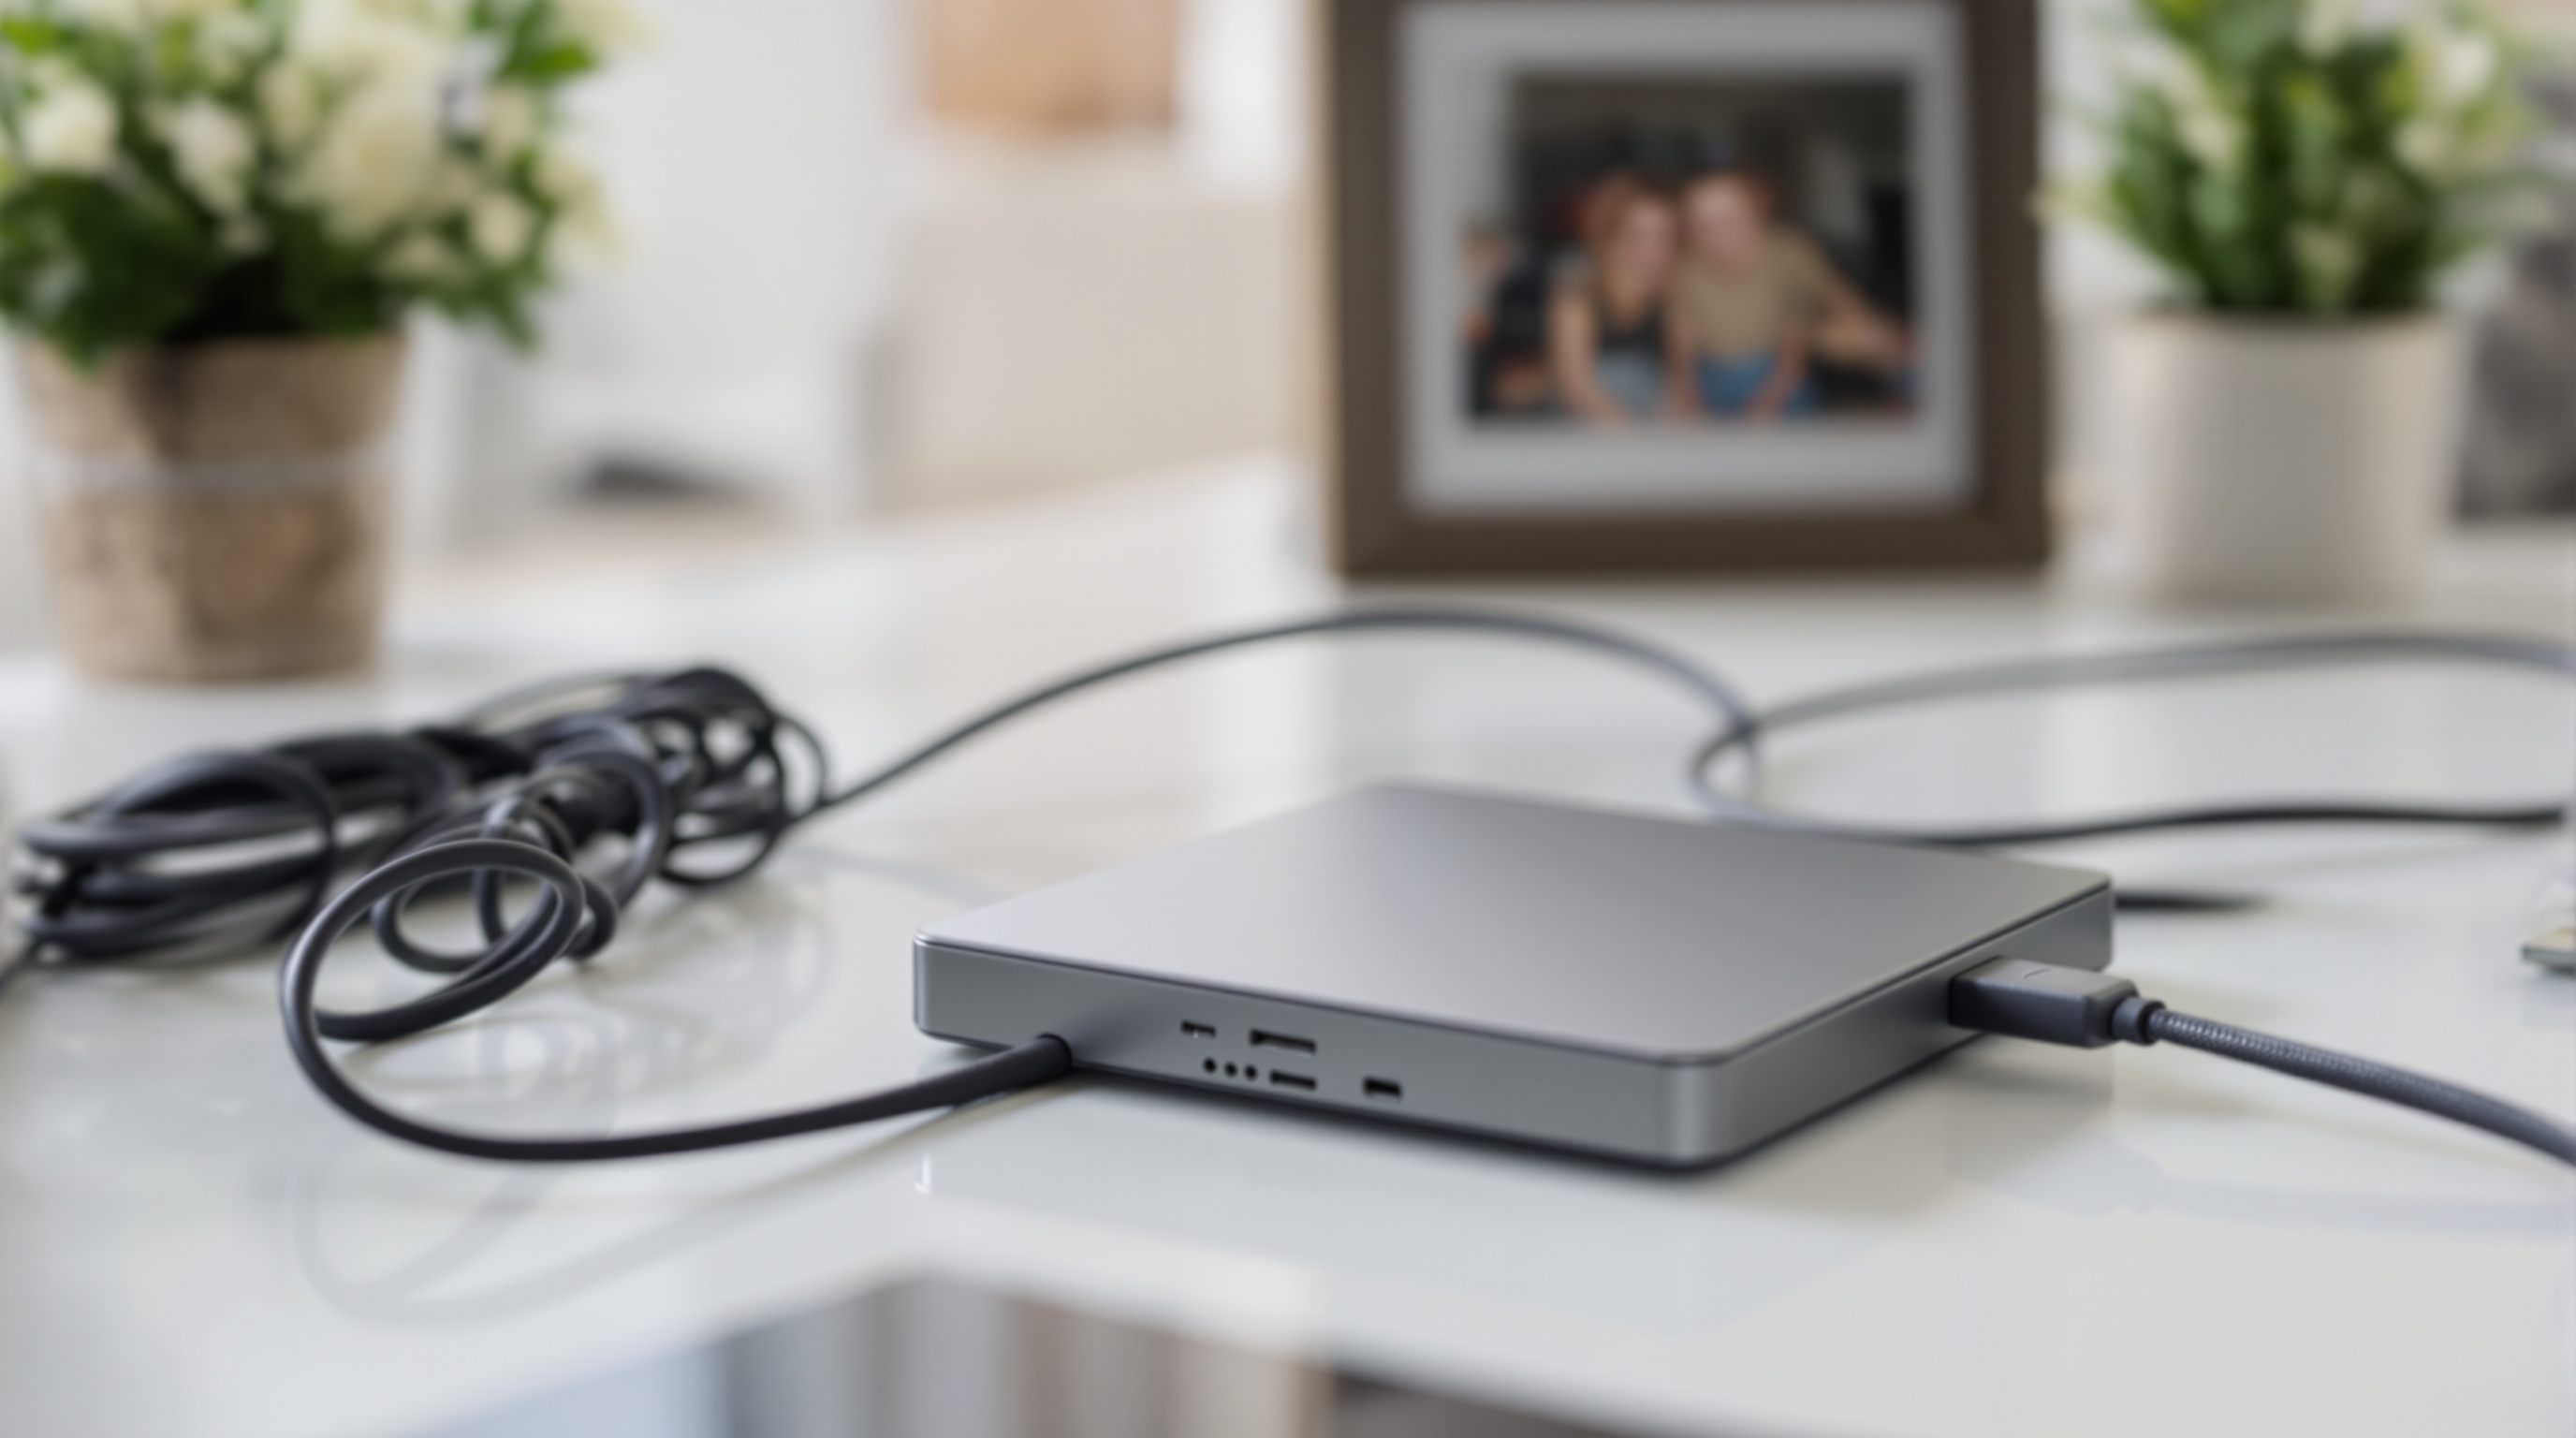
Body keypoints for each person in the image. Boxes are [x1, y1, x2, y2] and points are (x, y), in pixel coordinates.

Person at [1669, 169, 1909, 421]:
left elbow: (1824, 315)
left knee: (1865, 337)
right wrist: (1689, 397)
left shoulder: (1787, 255)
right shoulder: (1685, 269)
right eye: (1701, 223)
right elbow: (1682, 342)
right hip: (1713, 375)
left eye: (1728, 218)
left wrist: (1765, 407)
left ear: (1754, 212)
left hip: (1776, 371)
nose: (1715, 234)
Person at [1544, 174, 1682, 426]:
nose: (1653, 249)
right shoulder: (1577, 297)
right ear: (1608, 236)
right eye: (1638, 234)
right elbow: (1574, 386)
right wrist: (1632, 441)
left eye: (1664, 236)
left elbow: (1680, 383)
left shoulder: (1672, 299)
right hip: (1585, 430)